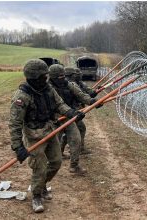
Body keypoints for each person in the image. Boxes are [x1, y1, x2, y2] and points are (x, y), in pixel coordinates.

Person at [9, 59, 84, 213]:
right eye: (43, 76)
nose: (46, 79)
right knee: (40, 167)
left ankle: (42, 185)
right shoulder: (22, 96)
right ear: (33, 78)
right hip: (33, 136)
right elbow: (15, 123)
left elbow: (59, 104)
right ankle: (36, 196)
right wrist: (18, 147)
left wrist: (71, 113)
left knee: (56, 162)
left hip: (50, 130)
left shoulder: (48, 88)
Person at [48, 64, 98, 173]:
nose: (62, 79)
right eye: (59, 77)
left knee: (76, 139)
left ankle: (74, 166)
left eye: (63, 76)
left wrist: (92, 101)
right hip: (54, 120)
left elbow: (80, 94)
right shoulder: (47, 88)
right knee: (54, 143)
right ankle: (50, 164)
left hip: (68, 116)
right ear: (52, 77)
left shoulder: (69, 84)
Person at [64, 67, 101, 155]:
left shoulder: (78, 84)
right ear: (71, 75)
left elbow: (86, 94)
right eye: (76, 74)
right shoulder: (67, 85)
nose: (79, 75)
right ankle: (77, 150)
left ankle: (77, 149)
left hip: (74, 111)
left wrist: (94, 97)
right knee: (76, 130)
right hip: (68, 112)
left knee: (71, 131)